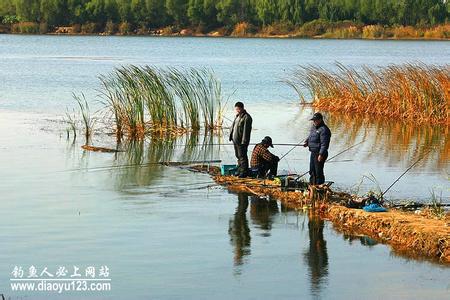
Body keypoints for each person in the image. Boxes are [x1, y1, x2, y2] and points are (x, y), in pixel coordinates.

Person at [303, 112, 331, 185]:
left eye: (316, 120)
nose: (314, 121)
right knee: (312, 171)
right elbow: (311, 136)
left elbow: (324, 144)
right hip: (313, 152)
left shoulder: (324, 130)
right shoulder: (314, 127)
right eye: (313, 120)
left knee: (318, 172)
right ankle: (312, 185)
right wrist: (307, 141)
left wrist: (321, 154)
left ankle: (319, 186)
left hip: (319, 153)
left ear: (320, 120)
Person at [229, 102, 252, 178]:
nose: (237, 110)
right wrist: (231, 136)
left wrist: (244, 142)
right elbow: (234, 127)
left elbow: (246, 131)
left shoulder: (247, 117)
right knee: (238, 155)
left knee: (242, 156)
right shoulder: (237, 116)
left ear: (242, 108)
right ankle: (239, 170)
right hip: (235, 140)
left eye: (238, 109)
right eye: (236, 109)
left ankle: (244, 172)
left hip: (241, 141)